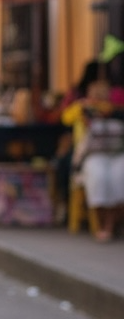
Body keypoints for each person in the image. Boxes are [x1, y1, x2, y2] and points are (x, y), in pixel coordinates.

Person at [62, 78, 124, 242]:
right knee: (99, 178)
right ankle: (103, 225)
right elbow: (66, 118)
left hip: (116, 155)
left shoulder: (116, 113)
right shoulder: (84, 111)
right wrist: (81, 109)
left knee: (118, 178)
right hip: (92, 155)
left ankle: (111, 225)